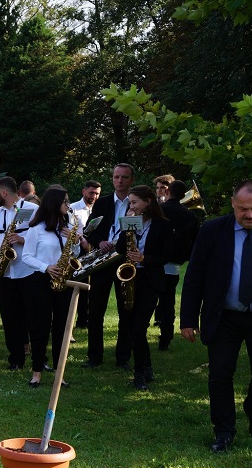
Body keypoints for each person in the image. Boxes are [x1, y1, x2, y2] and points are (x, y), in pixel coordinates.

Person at [180, 179, 252, 453]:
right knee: (220, 375)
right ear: (233, 203)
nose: (250, 215)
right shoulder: (212, 230)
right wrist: (187, 319)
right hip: (223, 317)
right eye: (243, 209)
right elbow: (194, 276)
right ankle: (224, 431)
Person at [21, 185, 81, 387]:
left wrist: (75, 241)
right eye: (65, 201)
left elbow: (75, 253)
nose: (68, 204)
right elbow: (26, 256)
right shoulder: (36, 229)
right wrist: (46, 267)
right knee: (40, 327)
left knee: (62, 329)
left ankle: (59, 372)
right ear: (54, 203)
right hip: (40, 282)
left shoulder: (67, 227)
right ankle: (36, 371)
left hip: (63, 281)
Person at [118, 185, 177, 390]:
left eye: (134, 202)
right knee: (133, 327)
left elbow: (167, 255)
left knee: (138, 328)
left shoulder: (162, 225)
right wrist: (125, 227)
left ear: (148, 202)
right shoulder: (131, 221)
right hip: (131, 278)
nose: (131, 206)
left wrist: (145, 258)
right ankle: (148, 367)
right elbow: (119, 249)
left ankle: (139, 373)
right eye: (130, 203)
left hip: (150, 279)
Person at [0, 176, 39, 370]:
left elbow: (43, 235)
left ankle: (39, 359)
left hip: (28, 271)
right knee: (9, 317)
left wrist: (23, 239)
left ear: (4, 193)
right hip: (5, 273)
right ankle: (15, 358)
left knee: (33, 316)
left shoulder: (32, 210)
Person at [83, 163, 135, 369]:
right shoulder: (102, 203)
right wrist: (100, 241)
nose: (119, 181)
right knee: (95, 311)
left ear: (131, 180)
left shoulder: (137, 203)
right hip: (103, 262)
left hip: (125, 262)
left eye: (124, 177)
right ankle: (94, 357)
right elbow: (89, 231)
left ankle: (123, 358)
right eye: (116, 177)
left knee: (126, 311)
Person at [155, 179, 200, 350]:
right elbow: (196, 240)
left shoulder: (159, 210)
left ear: (167, 192)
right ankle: (165, 340)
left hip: (154, 261)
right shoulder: (190, 215)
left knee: (148, 301)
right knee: (168, 303)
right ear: (183, 195)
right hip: (174, 265)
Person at [69, 180, 101, 327]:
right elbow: (71, 229)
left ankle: (84, 319)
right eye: (91, 193)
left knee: (92, 287)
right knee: (79, 285)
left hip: (94, 250)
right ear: (83, 191)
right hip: (78, 251)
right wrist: (82, 240)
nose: (94, 196)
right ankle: (78, 318)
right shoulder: (73, 208)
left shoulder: (99, 208)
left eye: (97, 194)